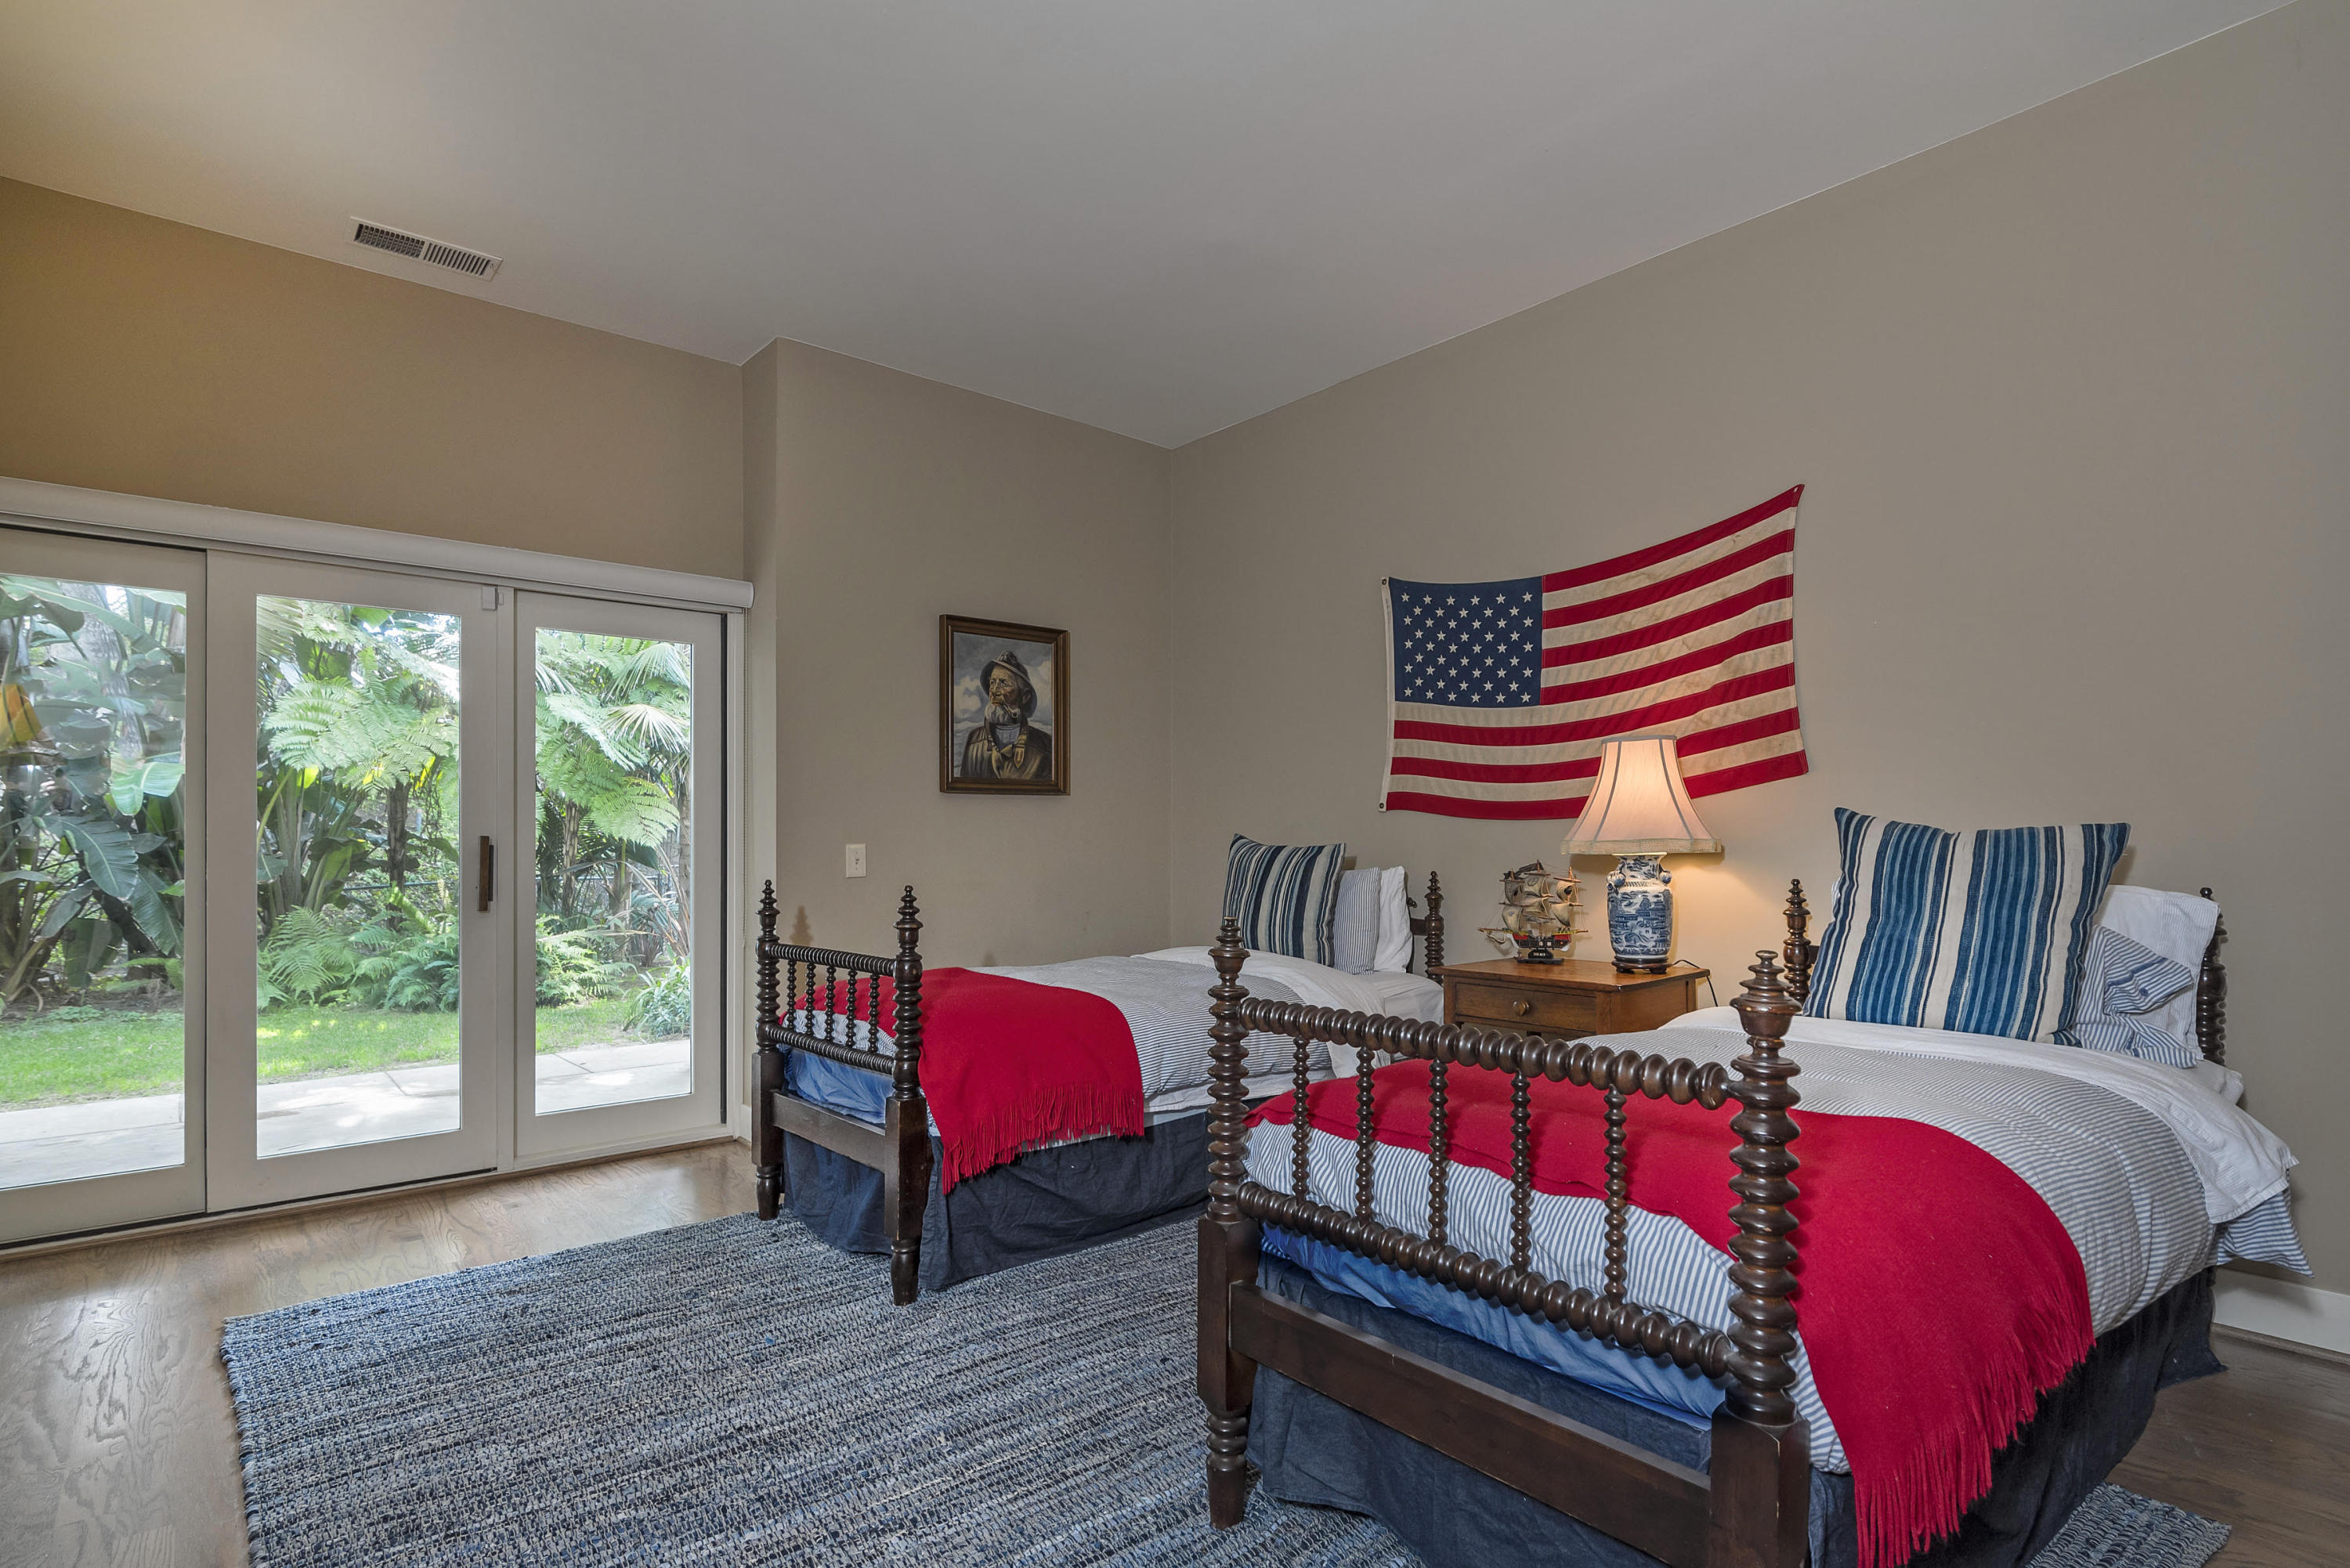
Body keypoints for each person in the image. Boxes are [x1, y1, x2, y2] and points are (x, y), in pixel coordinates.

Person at [958, 650, 1054, 782]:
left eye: (1004, 683)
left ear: (1025, 696)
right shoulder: (974, 740)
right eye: (992, 683)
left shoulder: (1045, 745)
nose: (995, 691)